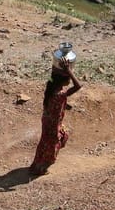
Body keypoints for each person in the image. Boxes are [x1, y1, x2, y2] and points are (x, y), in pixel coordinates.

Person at [29, 44, 82, 176]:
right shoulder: (59, 95)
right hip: (53, 125)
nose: (69, 81)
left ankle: (36, 165)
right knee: (53, 145)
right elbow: (78, 86)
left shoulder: (52, 89)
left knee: (45, 142)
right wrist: (69, 70)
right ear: (64, 80)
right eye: (68, 79)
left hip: (48, 121)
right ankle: (42, 168)